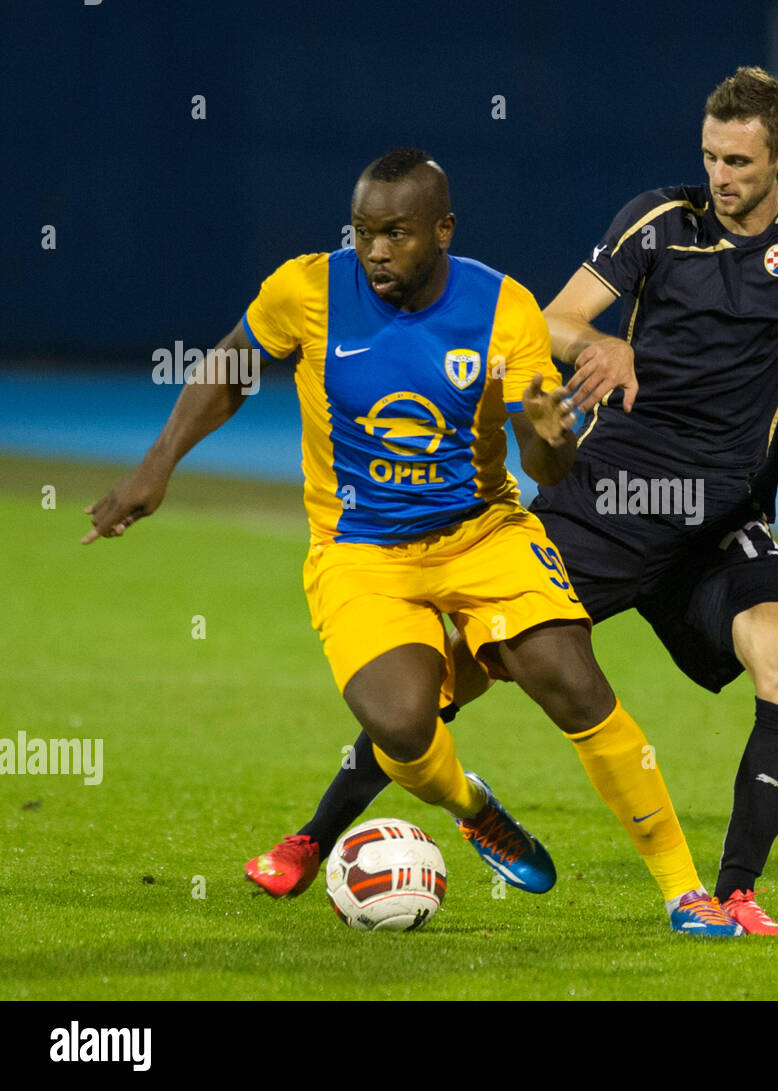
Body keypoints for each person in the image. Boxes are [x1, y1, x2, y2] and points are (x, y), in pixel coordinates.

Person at [246, 67, 778, 934]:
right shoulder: (659, 223)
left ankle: (733, 893)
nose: (722, 176)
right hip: (607, 500)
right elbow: (556, 316)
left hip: (719, 523)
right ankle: (313, 837)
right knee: (450, 679)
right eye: (712, 156)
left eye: (742, 163)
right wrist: (604, 345)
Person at [83, 148, 743, 937]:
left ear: (442, 229)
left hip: (483, 531)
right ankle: (476, 807)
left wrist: (549, 437)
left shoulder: (505, 308)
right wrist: (155, 468)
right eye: (363, 231)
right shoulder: (308, 289)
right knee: (399, 722)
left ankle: (684, 892)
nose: (375, 251)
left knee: (570, 679)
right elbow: (231, 363)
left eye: (396, 233)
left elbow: (547, 463)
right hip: (359, 551)